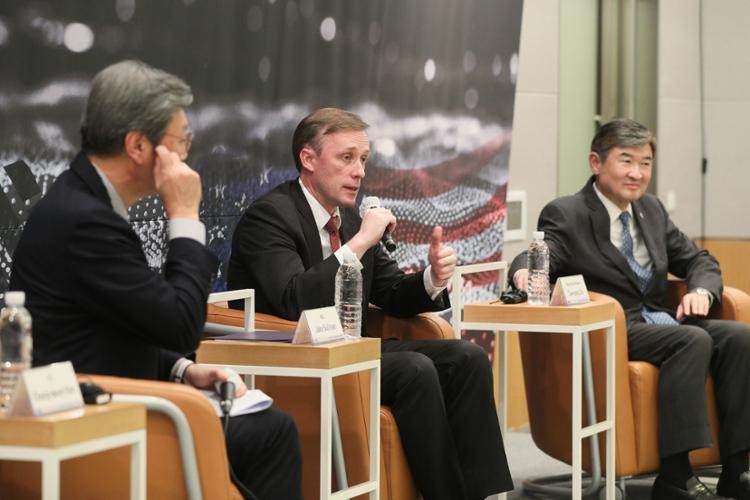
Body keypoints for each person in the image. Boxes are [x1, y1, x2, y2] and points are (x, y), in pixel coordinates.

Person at [9, 60, 302, 500]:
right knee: (273, 433)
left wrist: (182, 368)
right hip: (94, 420)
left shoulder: (84, 203)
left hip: (118, 395)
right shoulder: (84, 221)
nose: (186, 153)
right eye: (180, 140)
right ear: (139, 145)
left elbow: (124, 322)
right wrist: (184, 215)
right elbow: (180, 324)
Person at [227, 107, 513, 500]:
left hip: (352, 350)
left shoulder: (346, 217)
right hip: (296, 355)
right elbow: (294, 299)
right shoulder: (269, 218)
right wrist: (359, 242)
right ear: (308, 159)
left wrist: (433, 277)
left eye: (363, 159)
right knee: (415, 369)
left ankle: (484, 494)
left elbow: (391, 293)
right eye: (346, 158)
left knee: (467, 358)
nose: (359, 171)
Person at [510, 118, 750, 500]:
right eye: (626, 161)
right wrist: (525, 274)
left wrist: (702, 291)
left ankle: (738, 469)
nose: (637, 174)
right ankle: (675, 476)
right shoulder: (567, 212)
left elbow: (698, 259)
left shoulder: (651, 211)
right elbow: (541, 253)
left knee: (738, 337)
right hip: (612, 328)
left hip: (660, 322)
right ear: (596, 162)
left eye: (646, 163)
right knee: (689, 341)